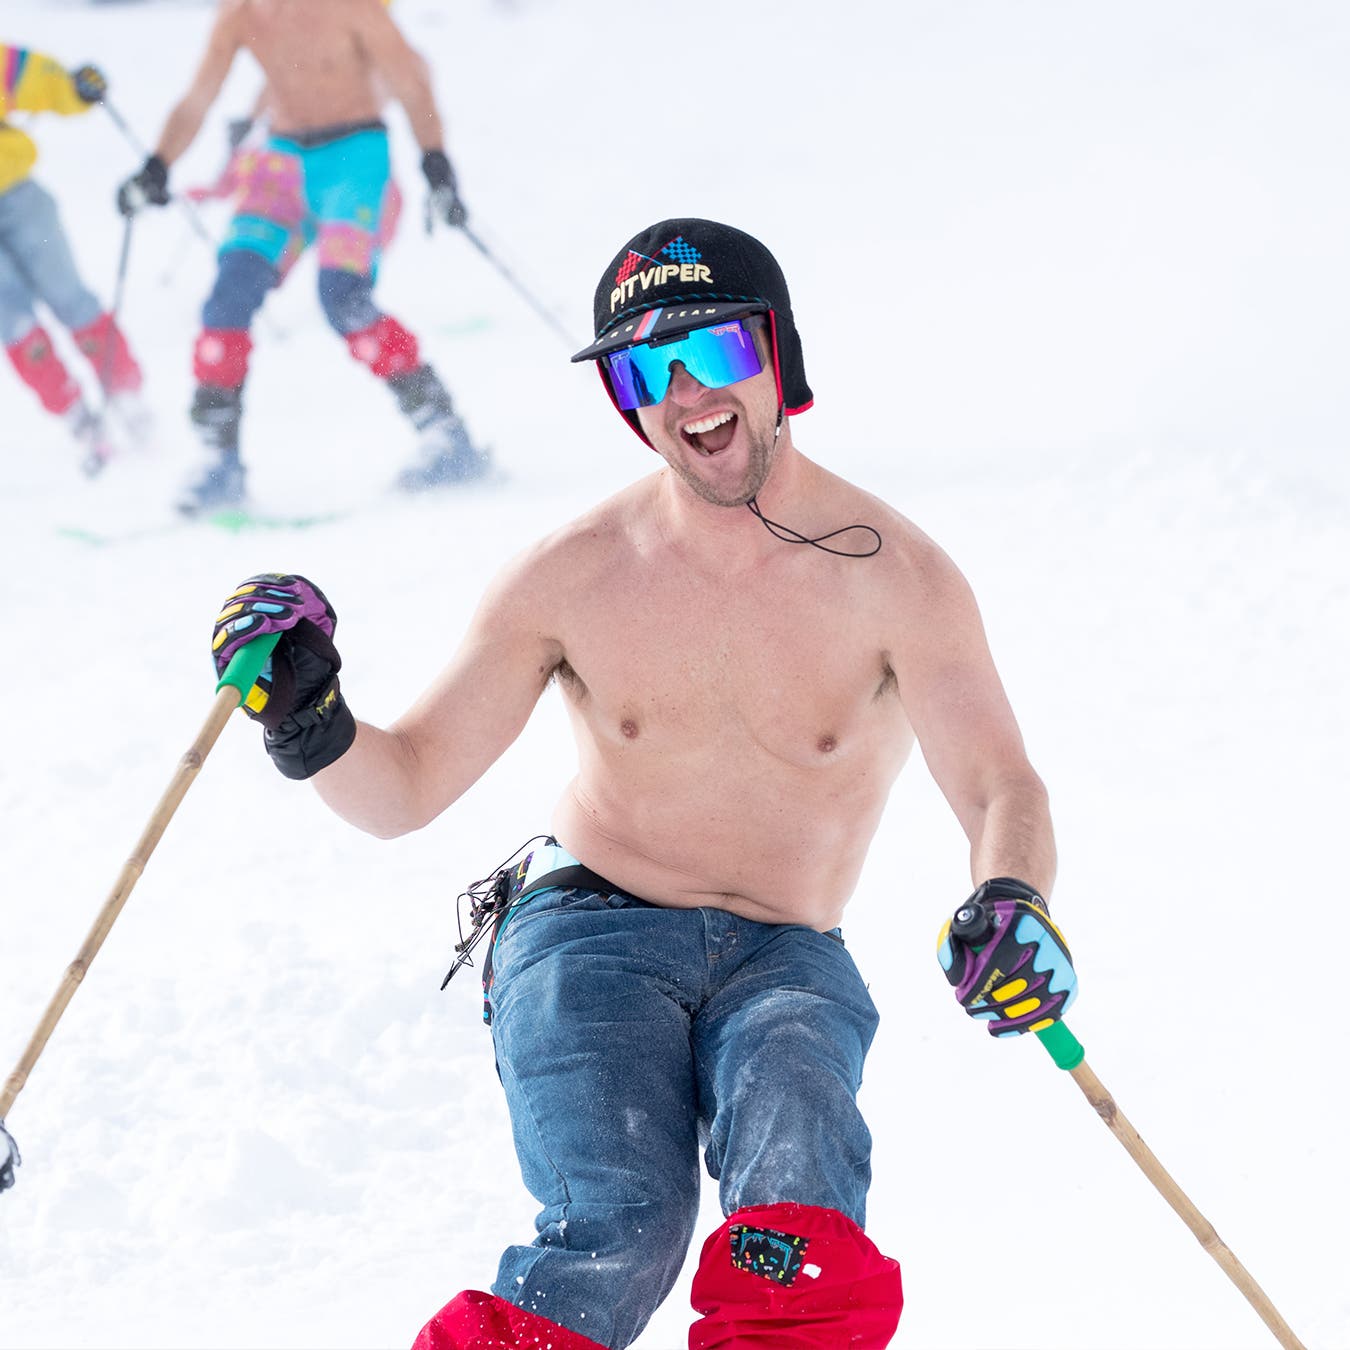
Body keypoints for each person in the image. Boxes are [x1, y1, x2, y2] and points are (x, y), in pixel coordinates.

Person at [209, 219, 1078, 1350]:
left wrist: (1011, 898)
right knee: (621, 1226)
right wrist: (309, 720)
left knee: (797, 1209)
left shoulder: (897, 578)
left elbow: (1001, 787)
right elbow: (405, 788)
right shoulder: (575, 574)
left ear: (778, 359)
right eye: (642, 369)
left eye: (711, 354)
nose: (684, 394)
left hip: (787, 952)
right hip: (588, 931)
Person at [115, 0, 486, 515]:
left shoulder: (352, 8)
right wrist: (156, 167)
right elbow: (198, 100)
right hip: (281, 161)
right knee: (227, 297)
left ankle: (443, 427)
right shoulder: (240, 13)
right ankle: (215, 456)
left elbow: (409, 83)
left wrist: (437, 165)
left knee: (343, 298)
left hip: (354, 156)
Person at [1, 44, 148, 474]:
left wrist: (75, 88)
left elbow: (32, 79)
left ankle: (127, 397)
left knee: (71, 298)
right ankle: (79, 419)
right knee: (15, 323)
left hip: (17, 196)